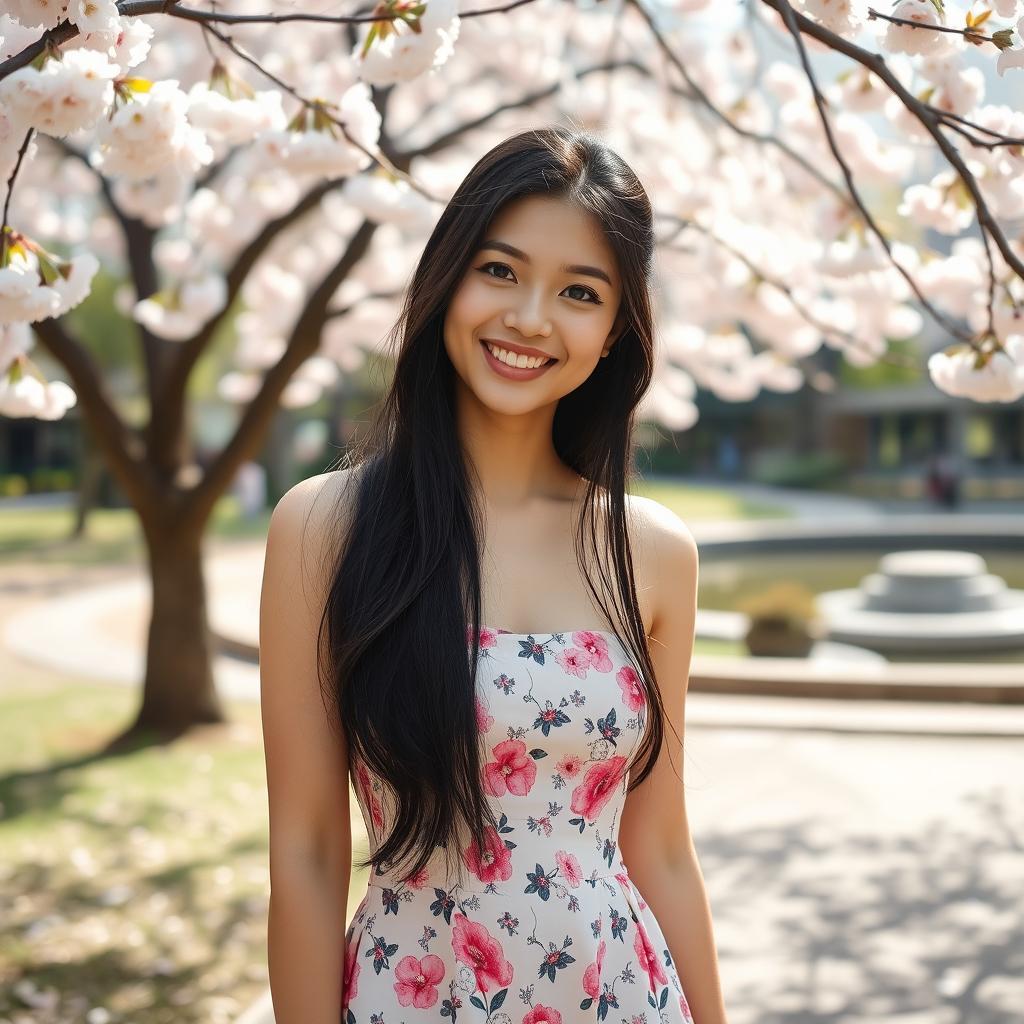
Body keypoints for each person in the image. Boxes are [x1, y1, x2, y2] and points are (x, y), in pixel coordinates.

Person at [259, 125, 729, 1024]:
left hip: (621, 996)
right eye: (501, 270)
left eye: (579, 292)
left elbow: (660, 844)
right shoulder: (325, 527)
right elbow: (309, 853)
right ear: (446, 281)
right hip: (410, 996)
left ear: (613, 333)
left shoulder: (653, 552)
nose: (530, 318)